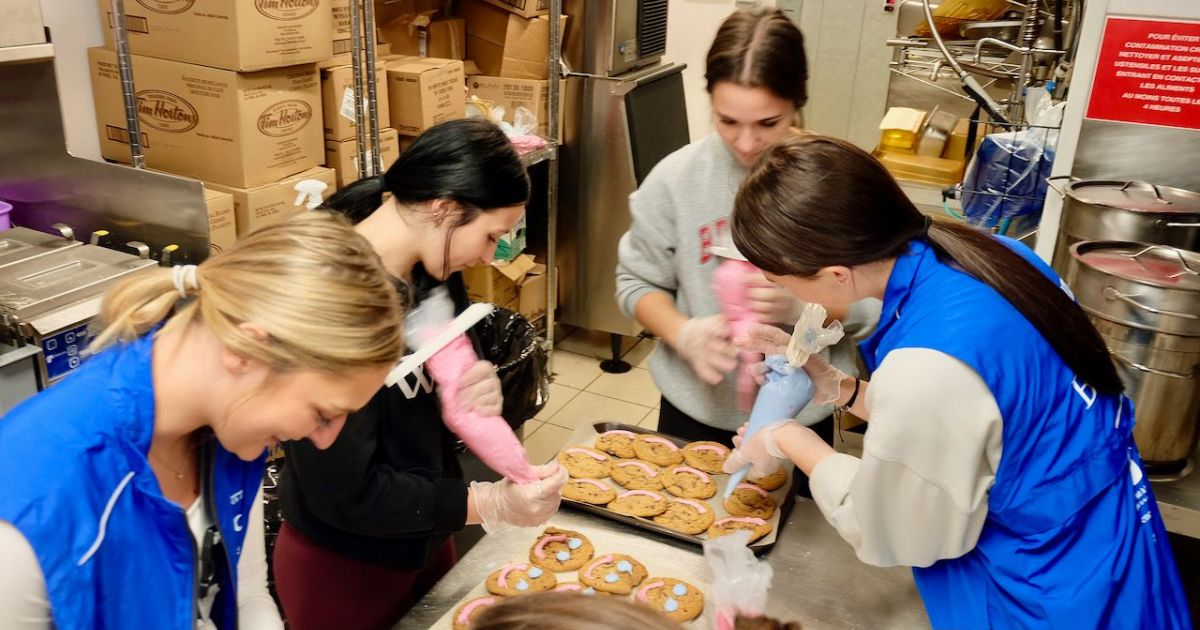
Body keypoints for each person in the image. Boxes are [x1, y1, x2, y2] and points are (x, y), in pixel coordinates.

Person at [724, 135, 1189, 629]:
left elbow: (900, 530)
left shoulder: (928, 365)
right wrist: (838, 387)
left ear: (837, 273)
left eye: (780, 280)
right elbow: (981, 419)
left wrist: (783, 437)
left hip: (1047, 584)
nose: (779, 291)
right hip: (1107, 539)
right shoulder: (995, 257)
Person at [0, 212, 406, 630]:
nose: (325, 441)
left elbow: (246, 595)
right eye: (323, 413)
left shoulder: (230, 431)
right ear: (247, 348)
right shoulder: (36, 501)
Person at [273, 119, 567, 630]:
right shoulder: (336, 299)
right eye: (491, 236)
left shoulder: (431, 268)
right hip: (346, 565)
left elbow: (436, 380)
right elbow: (348, 493)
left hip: (424, 534)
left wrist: (477, 388)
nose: (489, 256)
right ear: (446, 207)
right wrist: (487, 502)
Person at [614, 8, 879, 448]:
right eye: (728, 121)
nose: (746, 143)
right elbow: (635, 282)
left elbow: (875, 303)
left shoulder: (836, 184)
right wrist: (684, 332)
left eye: (767, 123)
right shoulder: (676, 180)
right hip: (692, 414)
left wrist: (807, 307)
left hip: (800, 418)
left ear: (797, 102)